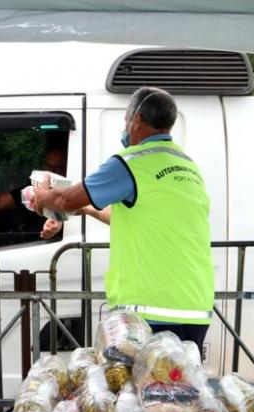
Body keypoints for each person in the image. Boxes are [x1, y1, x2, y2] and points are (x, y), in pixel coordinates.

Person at [33, 87, 214, 351]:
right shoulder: (187, 166)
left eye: (126, 121)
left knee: (139, 390)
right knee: (180, 389)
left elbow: (65, 200)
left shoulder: (130, 163)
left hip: (150, 309)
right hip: (195, 307)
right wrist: (86, 210)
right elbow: (140, 220)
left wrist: (42, 194)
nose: (126, 129)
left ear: (137, 120)